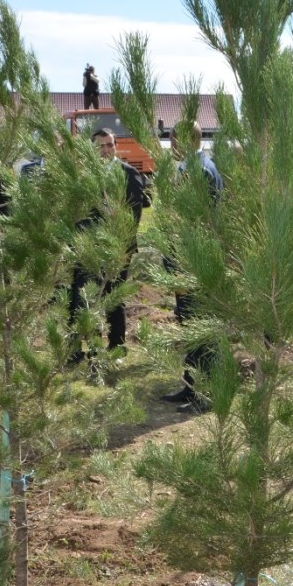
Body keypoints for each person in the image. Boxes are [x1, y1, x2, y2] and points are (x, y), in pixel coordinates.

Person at [69, 128, 149, 363]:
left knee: (114, 298)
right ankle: (94, 348)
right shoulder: (85, 176)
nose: (105, 150)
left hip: (117, 249)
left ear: (115, 146)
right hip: (91, 249)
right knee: (89, 298)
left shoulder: (129, 174)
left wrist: (122, 249)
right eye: (100, 146)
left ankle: (117, 348)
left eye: (109, 145)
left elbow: (133, 218)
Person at [159, 121, 222, 413]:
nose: (170, 144)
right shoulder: (196, 166)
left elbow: (189, 224)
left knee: (200, 329)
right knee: (189, 326)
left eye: (172, 139)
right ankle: (192, 386)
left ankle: (205, 394)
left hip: (193, 264)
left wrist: (180, 268)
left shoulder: (197, 172)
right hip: (191, 262)